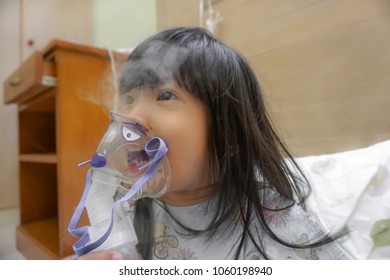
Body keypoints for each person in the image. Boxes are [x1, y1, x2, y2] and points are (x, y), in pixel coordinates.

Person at [79, 26, 350, 260]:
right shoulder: (131, 213)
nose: (132, 118)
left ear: (229, 133)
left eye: (165, 95)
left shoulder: (277, 225)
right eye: (128, 99)